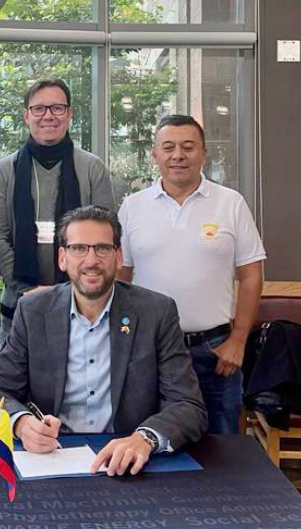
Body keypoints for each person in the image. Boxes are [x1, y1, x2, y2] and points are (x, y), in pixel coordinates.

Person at [0, 206, 206, 476]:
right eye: (78, 249)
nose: (91, 260)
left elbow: (188, 405)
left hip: (127, 457)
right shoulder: (33, 311)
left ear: (118, 256)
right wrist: (22, 423)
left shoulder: (156, 312)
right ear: (62, 258)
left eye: (102, 248)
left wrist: (145, 438)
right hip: (52, 457)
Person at [117, 115, 265, 435]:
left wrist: (238, 340)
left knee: (222, 445)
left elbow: (251, 275)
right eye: (168, 147)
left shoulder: (231, 203)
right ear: (154, 155)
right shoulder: (132, 207)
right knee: (148, 441)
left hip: (214, 350)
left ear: (203, 153)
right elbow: (120, 278)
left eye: (188, 147)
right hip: (148, 350)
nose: (178, 155)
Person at [0, 79, 115, 348]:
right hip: (19, 302)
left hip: (83, 305)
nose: (48, 116)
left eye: (57, 108)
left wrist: (70, 290)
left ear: (69, 114)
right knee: (18, 382)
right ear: (26, 116)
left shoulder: (92, 168)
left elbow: (106, 236)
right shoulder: (5, 170)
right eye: (39, 109)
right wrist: (28, 290)